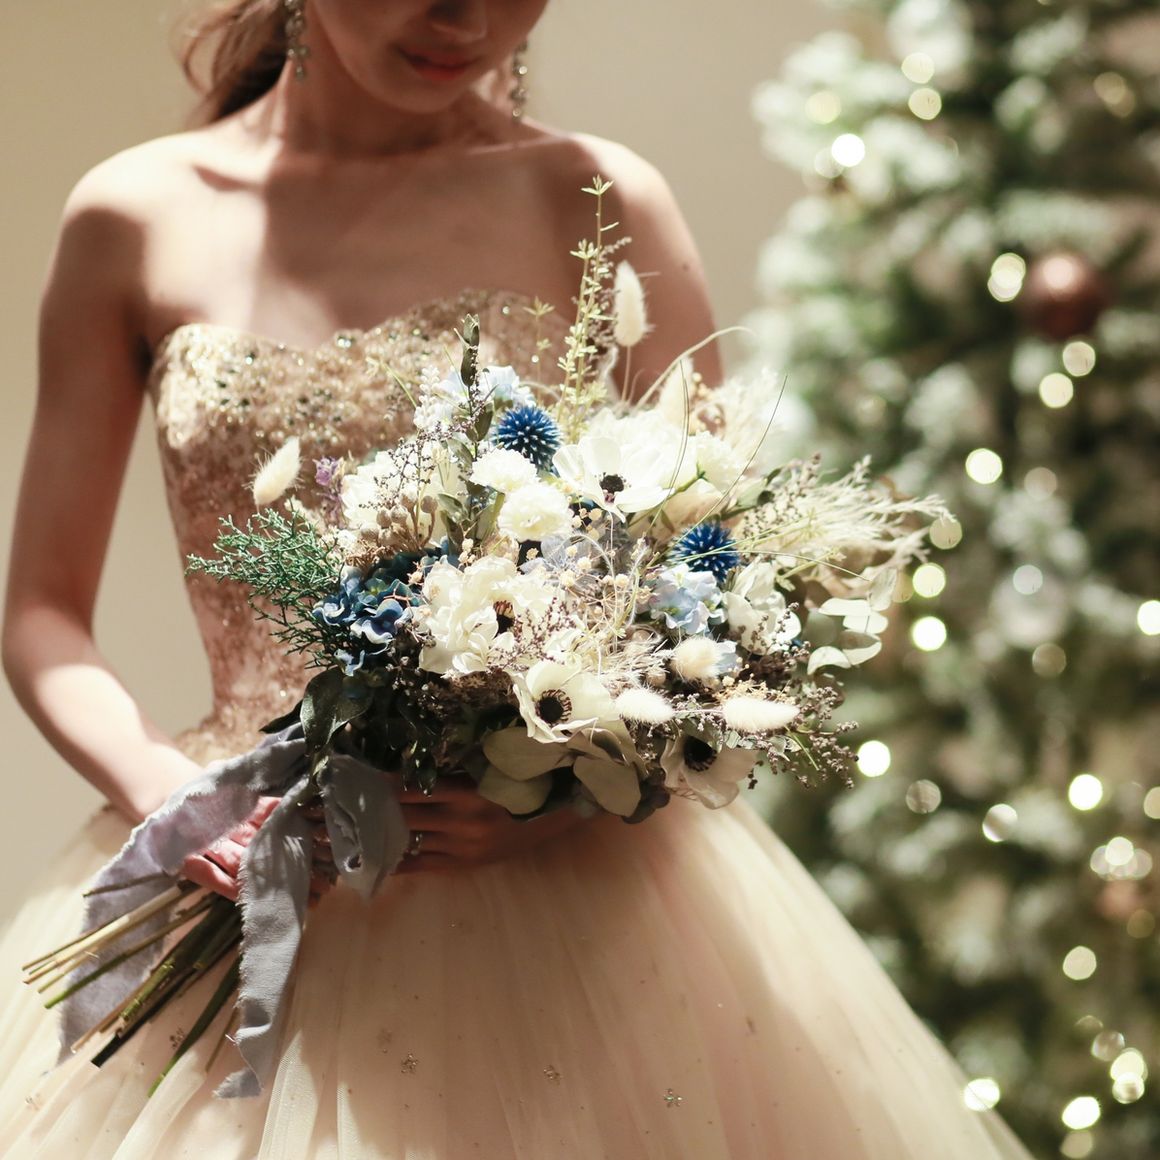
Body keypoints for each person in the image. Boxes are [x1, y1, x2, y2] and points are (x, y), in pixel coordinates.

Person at [0, 2, 1033, 1156]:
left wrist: (558, 801)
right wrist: (175, 796)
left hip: (573, 896)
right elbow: (42, 612)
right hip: (248, 847)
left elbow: (728, 588)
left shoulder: (600, 198)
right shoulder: (136, 215)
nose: (467, 17)